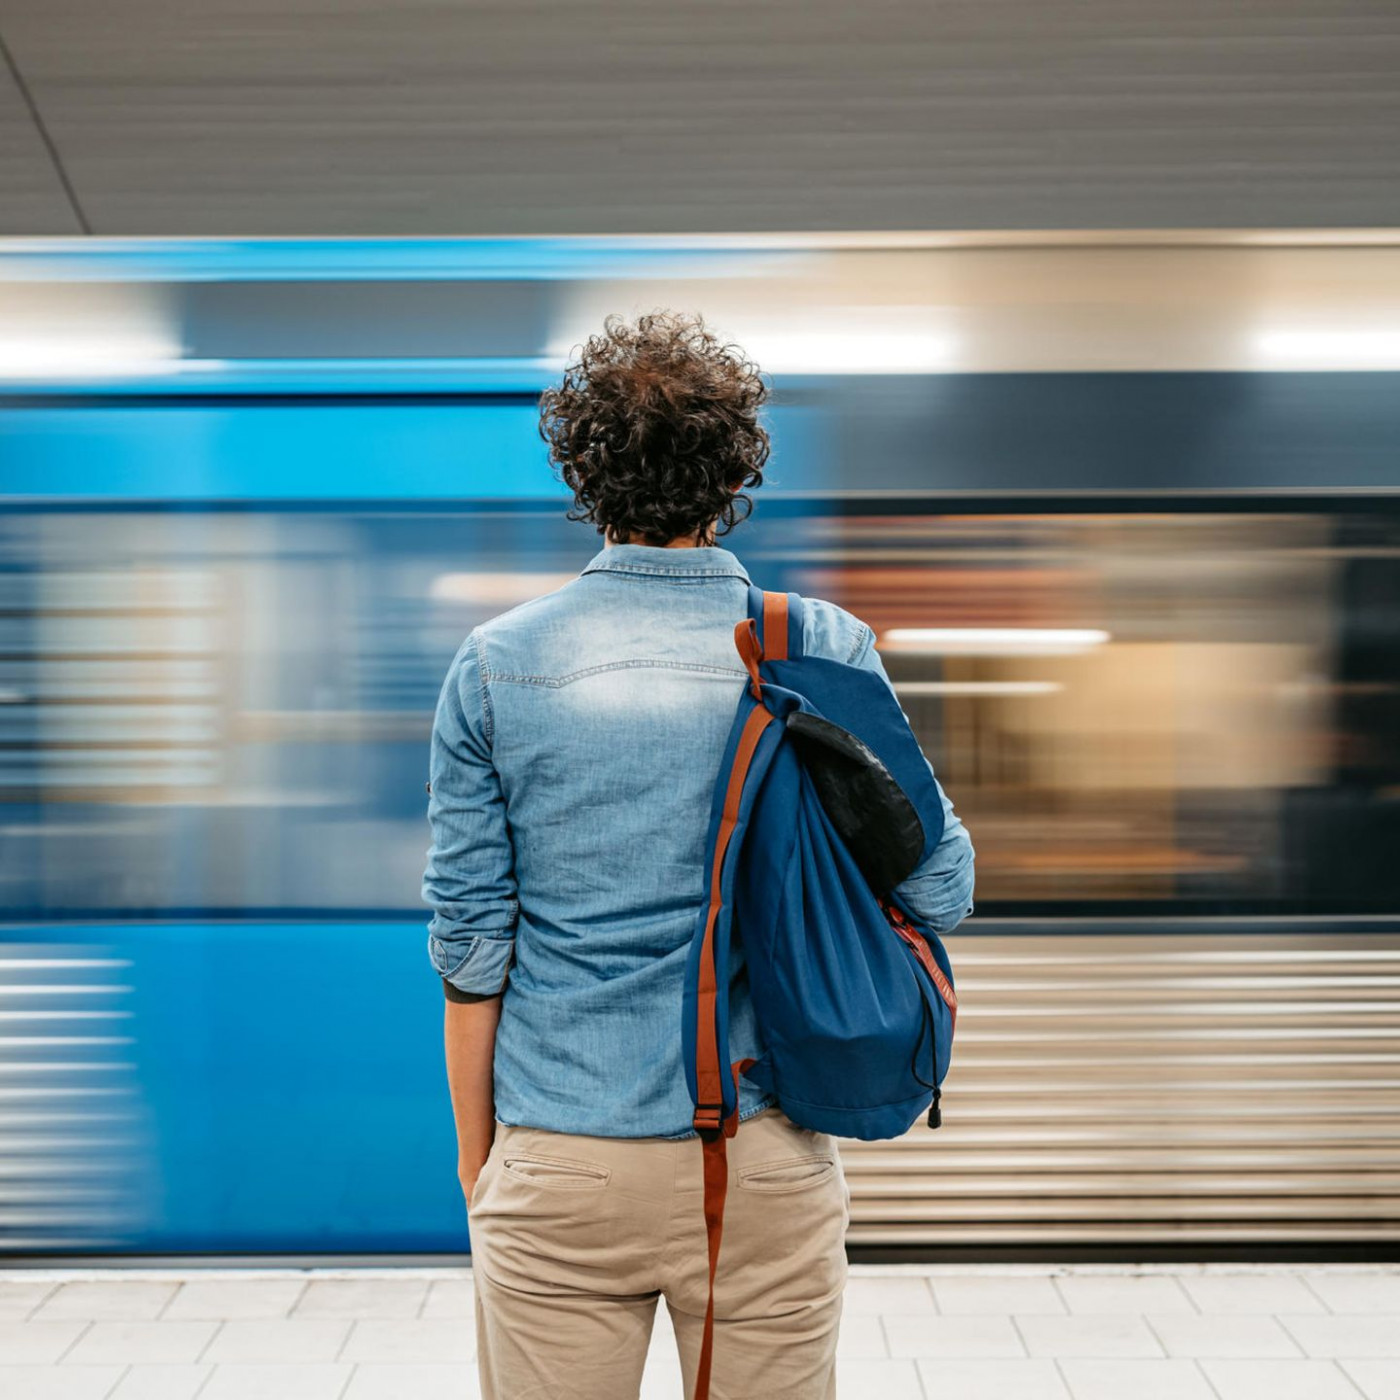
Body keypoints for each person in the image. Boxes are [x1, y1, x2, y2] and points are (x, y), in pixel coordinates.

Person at [422, 310, 975, 1400]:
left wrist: (482, 1163)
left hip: (558, 1155)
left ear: (583, 473)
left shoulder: (494, 666)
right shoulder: (815, 645)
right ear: (735, 470)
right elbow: (941, 888)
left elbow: (472, 948)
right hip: (762, 1157)